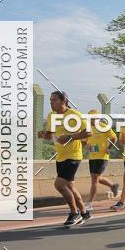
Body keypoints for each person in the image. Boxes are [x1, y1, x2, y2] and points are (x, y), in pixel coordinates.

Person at [38, 91, 88, 226]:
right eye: (50, 100)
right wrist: (43, 135)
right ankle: (84, 212)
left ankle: (74, 213)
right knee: (70, 187)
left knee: (59, 184)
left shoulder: (74, 115)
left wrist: (70, 137)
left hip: (73, 155)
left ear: (63, 100)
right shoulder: (51, 116)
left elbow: (88, 132)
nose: (51, 103)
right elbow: (50, 135)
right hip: (60, 156)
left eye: (54, 100)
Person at [76, 110, 120, 211]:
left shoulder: (103, 126)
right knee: (97, 178)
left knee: (94, 180)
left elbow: (114, 138)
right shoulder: (87, 128)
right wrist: (87, 147)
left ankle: (89, 203)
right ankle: (113, 185)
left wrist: (109, 148)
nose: (92, 120)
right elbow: (83, 142)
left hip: (102, 156)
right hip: (93, 157)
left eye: (94, 118)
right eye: (90, 119)